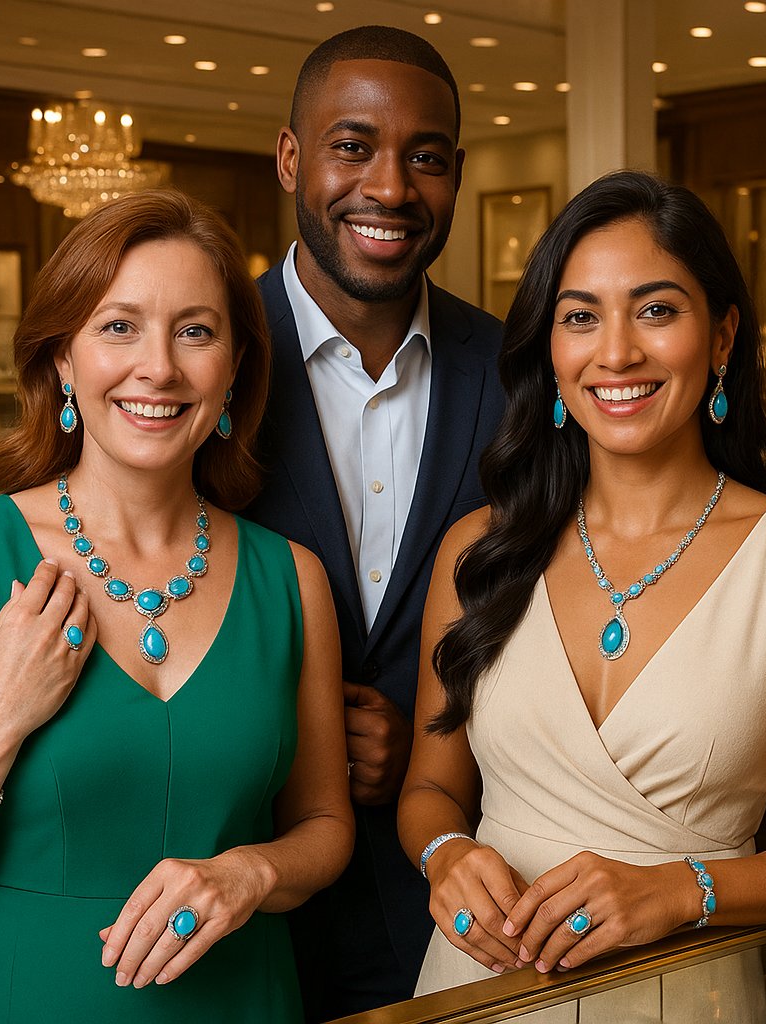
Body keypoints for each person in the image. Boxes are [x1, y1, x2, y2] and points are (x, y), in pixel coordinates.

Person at [398, 170, 766, 1019]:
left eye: (657, 310)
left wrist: (680, 890)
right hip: (476, 986)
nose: (616, 351)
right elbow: (429, 792)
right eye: (580, 316)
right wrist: (445, 853)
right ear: (549, 350)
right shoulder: (477, 551)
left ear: (723, 334)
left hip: (686, 992)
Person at [0, 189, 354, 1022]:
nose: (158, 366)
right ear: (61, 362)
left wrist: (250, 872)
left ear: (232, 371)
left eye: (195, 330)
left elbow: (326, 823)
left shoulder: (292, 579)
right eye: (118, 327)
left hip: (249, 1000)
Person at [245, 24, 504, 1016]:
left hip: (454, 917)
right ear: (290, 157)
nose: (390, 187)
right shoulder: (201, 364)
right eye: (352, 145)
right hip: (227, 905)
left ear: (455, 174)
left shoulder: (524, 374)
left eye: (425, 157)